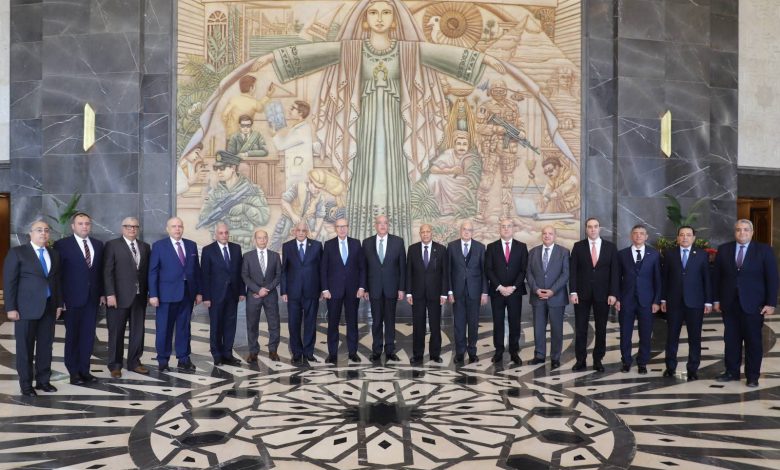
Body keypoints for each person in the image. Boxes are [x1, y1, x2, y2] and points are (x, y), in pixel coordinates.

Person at [252, 0, 505, 243]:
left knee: (395, 173)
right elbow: (316, 54)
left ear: (394, 20)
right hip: (365, 127)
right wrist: (272, 57)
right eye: (374, 13)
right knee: (364, 174)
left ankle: (395, 240)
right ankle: (363, 237)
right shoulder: (353, 49)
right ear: (365, 20)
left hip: (396, 128)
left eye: (386, 13)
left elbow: (443, 55)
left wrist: (485, 60)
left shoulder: (407, 50)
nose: (380, 18)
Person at [713, 219, 778, 387]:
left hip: (754, 304)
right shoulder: (724, 249)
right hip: (729, 304)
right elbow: (716, 277)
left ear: (752, 232)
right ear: (734, 232)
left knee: (753, 342)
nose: (742, 233)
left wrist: (771, 303)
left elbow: (772, 278)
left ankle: (752, 376)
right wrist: (716, 299)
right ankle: (731, 372)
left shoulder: (764, 250)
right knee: (731, 340)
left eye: (745, 230)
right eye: (738, 229)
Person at [3, 220, 63, 396]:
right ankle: (26, 385)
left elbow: (57, 281)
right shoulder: (18, 252)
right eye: (39, 230)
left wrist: (59, 304)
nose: (43, 233)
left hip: (49, 308)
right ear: (30, 233)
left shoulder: (54, 254)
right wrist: (10, 307)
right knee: (25, 348)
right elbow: (9, 282)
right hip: (25, 309)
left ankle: (43, 381)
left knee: (46, 347)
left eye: (46, 230)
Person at [54, 212, 104, 385]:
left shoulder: (98, 244)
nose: (84, 226)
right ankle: (73, 372)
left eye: (87, 223)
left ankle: (85, 370)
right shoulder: (62, 245)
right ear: (73, 226)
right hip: (71, 299)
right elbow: (57, 275)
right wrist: (60, 300)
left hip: (92, 299)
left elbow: (100, 272)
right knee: (73, 336)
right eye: (80, 223)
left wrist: (102, 293)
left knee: (88, 336)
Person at [148, 217, 202, 372]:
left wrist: (199, 292)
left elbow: (196, 271)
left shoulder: (191, 245)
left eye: (180, 226)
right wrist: (153, 294)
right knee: (164, 328)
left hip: (187, 294)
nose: (177, 229)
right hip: (166, 295)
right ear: (167, 229)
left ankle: (183, 359)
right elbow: (153, 271)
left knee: (184, 328)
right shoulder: (159, 246)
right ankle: (163, 360)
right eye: (174, 226)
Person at [660, 226, 712, 381]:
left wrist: (708, 301)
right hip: (674, 302)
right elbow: (664, 279)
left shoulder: (702, 255)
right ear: (677, 238)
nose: (685, 238)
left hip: (695, 303)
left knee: (694, 338)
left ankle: (693, 369)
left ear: (693, 238)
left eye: (688, 235)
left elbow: (707, 279)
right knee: (672, 336)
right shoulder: (669, 254)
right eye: (682, 235)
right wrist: (663, 299)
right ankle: (670, 367)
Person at [102, 217, 151, 378]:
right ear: (122, 228)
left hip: (139, 297)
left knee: (138, 332)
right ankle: (115, 365)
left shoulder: (145, 247)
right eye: (128, 226)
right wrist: (110, 293)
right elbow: (107, 271)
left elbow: (146, 273)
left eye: (135, 226)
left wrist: (149, 293)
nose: (132, 229)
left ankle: (134, 362)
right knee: (116, 332)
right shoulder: (112, 245)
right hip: (118, 297)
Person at [569, 217, 619, 372]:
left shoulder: (610, 247)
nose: (592, 229)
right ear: (586, 229)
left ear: (599, 228)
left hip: (603, 295)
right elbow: (573, 271)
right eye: (589, 227)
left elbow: (615, 273)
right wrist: (573, 291)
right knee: (581, 329)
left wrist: (613, 293)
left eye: (595, 226)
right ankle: (580, 360)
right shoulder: (578, 247)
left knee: (601, 328)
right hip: (581, 294)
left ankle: (598, 360)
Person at [198, 150, 270, 249]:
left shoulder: (251, 190)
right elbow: (203, 218)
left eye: (222, 168)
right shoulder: (214, 193)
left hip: (244, 247)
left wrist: (245, 208)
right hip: (221, 247)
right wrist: (220, 216)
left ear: (233, 168)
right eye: (216, 168)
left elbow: (264, 218)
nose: (218, 171)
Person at [615, 224, 661, 374]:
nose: (638, 236)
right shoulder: (622, 254)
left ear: (646, 237)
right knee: (625, 333)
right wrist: (617, 298)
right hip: (626, 300)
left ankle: (642, 362)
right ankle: (626, 361)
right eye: (635, 233)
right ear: (631, 236)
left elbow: (658, 280)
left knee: (646, 333)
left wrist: (656, 301)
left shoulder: (654, 254)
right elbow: (616, 279)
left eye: (642, 233)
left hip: (647, 301)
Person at [321, 218, 366, 364]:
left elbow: (362, 267)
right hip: (333, 291)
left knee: (352, 322)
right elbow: (324, 269)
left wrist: (361, 287)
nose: (342, 229)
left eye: (344, 226)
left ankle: (353, 352)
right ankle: (332, 354)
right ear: (336, 228)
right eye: (339, 227)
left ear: (348, 227)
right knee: (333, 323)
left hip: (353, 291)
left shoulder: (356, 243)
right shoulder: (329, 245)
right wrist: (325, 289)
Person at [362, 214, 406, 362]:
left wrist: (401, 288)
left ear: (388, 225)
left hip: (391, 288)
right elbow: (364, 268)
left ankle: (390, 350)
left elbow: (402, 267)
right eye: (379, 223)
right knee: (376, 321)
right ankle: (376, 350)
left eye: (385, 223)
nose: (382, 225)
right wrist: (365, 288)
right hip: (374, 289)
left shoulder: (398, 242)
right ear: (375, 225)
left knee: (390, 321)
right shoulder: (367, 243)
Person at [484, 218, 528, 364]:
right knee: (498, 322)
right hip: (497, 291)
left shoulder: (522, 247)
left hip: (515, 292)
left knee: (515, 322)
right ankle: (499, 351)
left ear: (513, 228)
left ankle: (514, 351)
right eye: (503, 226)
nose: (506, 229)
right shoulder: (491, 247)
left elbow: (523, 270)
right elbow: (488, 269)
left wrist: (513, 287)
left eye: (509, 226)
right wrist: (500, 287)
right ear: (500, 229)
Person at [200, 222, 245, 366]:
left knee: (230, 325)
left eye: (226, 233)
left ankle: (228, 354)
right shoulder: (208, 250)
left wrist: (242, 291)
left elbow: (240, 272)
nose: (224, 235)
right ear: (216, 235)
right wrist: (206, 296)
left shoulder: (236, 248)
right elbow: (204, 275)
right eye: (221, 233)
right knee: (216, 326)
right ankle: (217, 355)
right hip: (215, 296)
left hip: (233, 294)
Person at [526, 226, 570, 369]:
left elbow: (565, 274)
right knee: (538, 328)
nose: (547, 236)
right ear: (541, 235)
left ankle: (555, 357)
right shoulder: (533, 252)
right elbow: (529, 273)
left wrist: (552, 290)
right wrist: (536, 289)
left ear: (555, 236)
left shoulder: (564, 252)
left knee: (557, 329)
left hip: (556, 297)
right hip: (537, 296)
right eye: (544, 233)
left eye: (550, 233)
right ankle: (539, 355)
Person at [270, 169, 345, 250]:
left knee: (322, 236)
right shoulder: (298, 186)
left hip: (308, 221)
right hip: (290, 217)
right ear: (310, 181)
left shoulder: (320, 196)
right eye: (315, 186)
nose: (317, 189)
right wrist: (293, 215)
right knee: (282, 234)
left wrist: (315, 232)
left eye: (320, 188)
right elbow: (284, 201)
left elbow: (320, 216)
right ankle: (273, 251)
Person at [281, 222, 323, 366]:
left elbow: (321, 269)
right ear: (294, 231)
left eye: (303, 230)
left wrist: (322, 289)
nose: (300, 232)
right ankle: (297, 353)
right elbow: (284, 271)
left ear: (307, 232)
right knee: (294, 324)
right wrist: (284, 291)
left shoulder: (317, 246)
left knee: (310, 323)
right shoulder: (287, 246)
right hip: (293, 292)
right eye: (298, 230)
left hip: (312, 291)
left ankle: (309, 353)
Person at [405, 224, 448, 364]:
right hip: (417, 294)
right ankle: (417, 354)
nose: (425, 234)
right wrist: (408, 293)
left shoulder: (441, 249)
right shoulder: (412, 249)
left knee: (435, 326)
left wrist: (444, 294)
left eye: (428, 231)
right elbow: (408, 273)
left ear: (431, 233)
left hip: (435, 295)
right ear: (420, 234)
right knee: (418, 325)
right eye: (422, 232)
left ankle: (435, 354)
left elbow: (444, 274)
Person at [446, 220, 488, 364]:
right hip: (457, 293)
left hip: (474, 292)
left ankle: (472, 352)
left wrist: (484, 292)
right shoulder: (452, 247)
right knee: (458, 324)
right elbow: (448, 271)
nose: (466, 232)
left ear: (472, 232)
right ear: (460, 230)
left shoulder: (480, 247)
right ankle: (459, 352)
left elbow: (484, 272)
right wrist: (450, 291)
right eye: (464, 229)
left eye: (469, 230)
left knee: (473, 323)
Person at [241, 229, 282, 363]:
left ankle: (273, 350)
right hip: (254, 295)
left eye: (264, 237)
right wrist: (258, 290)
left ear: (267, 239)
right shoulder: (247, 256)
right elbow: (245, 276)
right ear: (255, 240)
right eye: (259, 238)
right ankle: (253, 352)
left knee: (274, 324)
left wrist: (267, 289)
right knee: (252, 325)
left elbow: (278, 275)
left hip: (271, 295)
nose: (262, 240)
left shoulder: (275, 256)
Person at [428, 130, 477, 216]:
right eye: (459, 144)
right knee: (433, 178)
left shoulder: (471, 157)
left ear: (468, 146)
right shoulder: (449, 154)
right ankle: (445, 209)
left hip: (464, 185)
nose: (461, 147)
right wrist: (451, 170)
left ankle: (462, 210)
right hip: (449, 181)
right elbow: (433, 169)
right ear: (454, 145)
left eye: (464, 144)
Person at [271, 100, 314, 187]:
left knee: (298, 193)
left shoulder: (302, 130)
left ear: (300, 113)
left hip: (299, 174)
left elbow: (280, 146)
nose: (289, 110)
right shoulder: (298, 128)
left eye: (293, 108)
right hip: (296, 171)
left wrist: (274, 134)